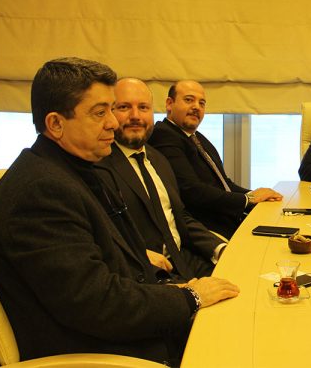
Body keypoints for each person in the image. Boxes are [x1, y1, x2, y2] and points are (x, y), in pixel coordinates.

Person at [0, 58, 239, 365]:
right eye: (100, 112)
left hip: (126, 329)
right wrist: (191, 297)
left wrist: (180, 289)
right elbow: (96, 305)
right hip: (97, 352)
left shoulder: (77, 171)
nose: (114, 123)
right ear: (56, 124)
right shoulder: (40, 191)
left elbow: (116, 270)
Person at [97, 77, 226, 280]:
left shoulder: (158, 159)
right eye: (124, 107)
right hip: (149, 273)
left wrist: (219, 248)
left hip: (184, 260)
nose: (135, 116)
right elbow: (103, 236)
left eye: (143, 107)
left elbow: (179, 217)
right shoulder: (99, 166)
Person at [148, 80, 282, 239]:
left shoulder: (196, 137)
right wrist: (248, 199)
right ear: (169, 104)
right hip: (206, 229)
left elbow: (224, 183)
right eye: (189, 100)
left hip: (228, 218)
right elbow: (191, 191)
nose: (197, 107)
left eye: (202, 103)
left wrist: (256, 195)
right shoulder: (163, 135)